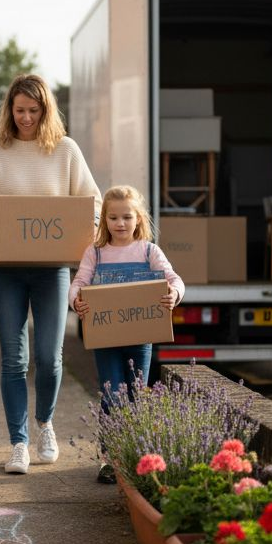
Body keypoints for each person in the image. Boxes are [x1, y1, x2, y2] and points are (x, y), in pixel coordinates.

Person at [0, 74, 101, 475]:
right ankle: (18, 442)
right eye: (19, 110)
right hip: (6, 270)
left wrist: (87, 226)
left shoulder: (66, 151)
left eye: (33, 111)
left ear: (45, 110)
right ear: (9, 110)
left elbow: (90, 203)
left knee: (49, 357)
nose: (25, 118)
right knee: (14, 359)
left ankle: (45, 424)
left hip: (51, 270)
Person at [70, 185, 184, 484]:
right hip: (106, 340)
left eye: (126, 217)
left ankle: (135, 458)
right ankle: (110, 460)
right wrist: (76, 300)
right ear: (104, 220)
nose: (120, 223)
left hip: (140, 339)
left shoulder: (149, 251)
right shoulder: (95, 253)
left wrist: (174, 294)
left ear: (138, 219)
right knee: (111, 396)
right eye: (113, 217)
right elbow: (79, 281)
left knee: (136, 398)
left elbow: (174, 279)